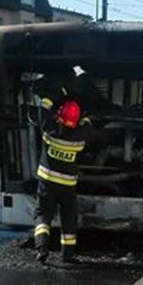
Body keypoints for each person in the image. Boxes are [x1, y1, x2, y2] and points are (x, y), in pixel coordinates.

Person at [33, 99, 89, 264]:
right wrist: (84, 116)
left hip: (47, 184)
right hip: (68, 188)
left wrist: (50, 100)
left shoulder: (49, 132)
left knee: (43, 215)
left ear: (59, 117)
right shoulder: (79, 138)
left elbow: (42, 114)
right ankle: (67, 255)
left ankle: (42, 247)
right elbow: (88, 127)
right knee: (69, 219)